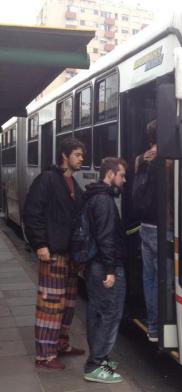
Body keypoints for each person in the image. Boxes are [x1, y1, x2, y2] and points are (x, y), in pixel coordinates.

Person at [23, 137, 86, 370]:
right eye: (78, 155)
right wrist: (39, 244)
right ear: (65, 156)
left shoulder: (73, 183)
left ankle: (60, 344)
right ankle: (45, 355)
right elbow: (32, 213)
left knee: (67, 304)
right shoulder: (47, 180)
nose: (82, 159)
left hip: (69, 255)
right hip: (52, 253)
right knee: (50, 304)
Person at [83, 157, 127, 384]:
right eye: (121, 175)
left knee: (99, 312)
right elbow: (106, 238)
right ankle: (95, 364)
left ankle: (101, 359)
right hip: (106, 266)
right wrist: (111, 269)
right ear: (110, 173)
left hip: (97, 265)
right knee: (109, 314)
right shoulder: (104, 201)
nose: (124, 179)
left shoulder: (96, 196)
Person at [133, 119, 159, 342]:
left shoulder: (140, 159)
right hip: (163, 227)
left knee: (149, 278)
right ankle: (163, 326)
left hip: (145, 225)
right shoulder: (167, 158)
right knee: (163, 279)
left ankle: (152, 327)